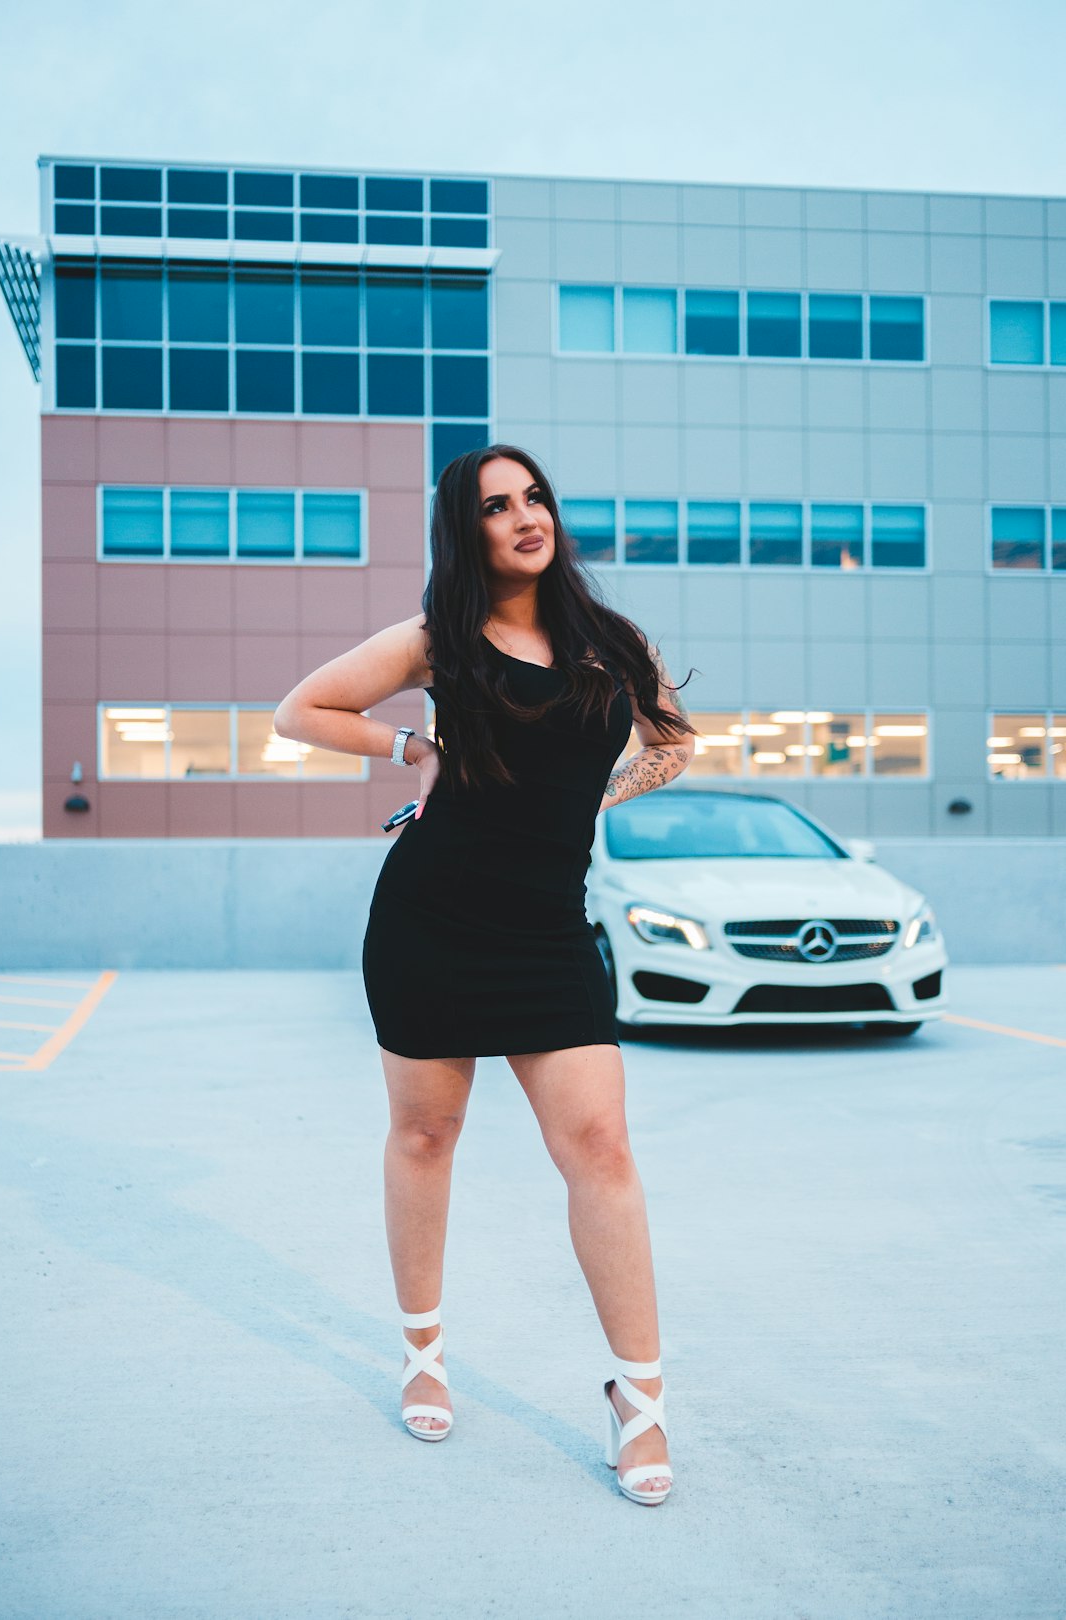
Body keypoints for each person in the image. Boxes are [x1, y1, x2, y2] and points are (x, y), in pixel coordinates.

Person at [274, 444, 696, 1505]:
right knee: (426, 1135)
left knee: (601, 1147)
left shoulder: (612, 642)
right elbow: (300, 710)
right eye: (496, 506)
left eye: (535, 496)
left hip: (549, 930)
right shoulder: (437, 641)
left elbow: (674, 743)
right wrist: (412, 750)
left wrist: (590, 802)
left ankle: (640, 1401)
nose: (524, 516)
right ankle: (422, 1347)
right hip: (434, 917)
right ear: (468, 534)